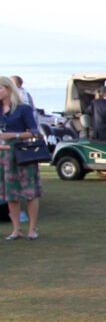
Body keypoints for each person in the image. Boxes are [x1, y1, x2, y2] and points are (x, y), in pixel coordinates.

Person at [0, 76, 42, 240]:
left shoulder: (23, 109)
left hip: (22, 153)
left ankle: (32, 229)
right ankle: (16, 229)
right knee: (10, 194)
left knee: (29, 192)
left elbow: (34, 132)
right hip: (4, 155)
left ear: (8, 89)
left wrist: (14, 135)